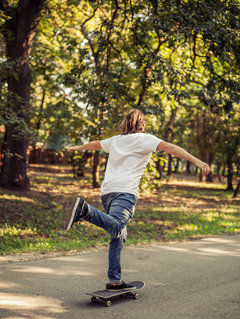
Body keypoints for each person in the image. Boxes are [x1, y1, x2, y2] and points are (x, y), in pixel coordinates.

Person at [65, 109, 211, 291]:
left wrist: (78, 147)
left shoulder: (116, 140)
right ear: (142, 125)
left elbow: (96, 144)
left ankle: (115, 280)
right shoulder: (146, 139)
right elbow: (171, 148)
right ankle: (85, 211)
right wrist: (197, 161)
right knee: (118, 226)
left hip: (107, 191)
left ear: (125, 123)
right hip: (125, 192)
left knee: (118, 235)